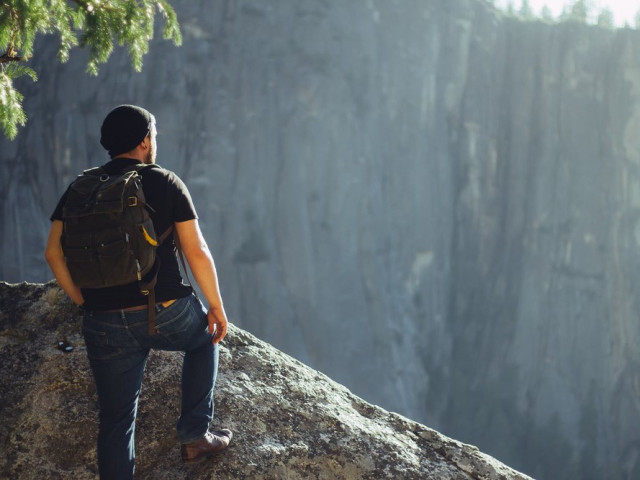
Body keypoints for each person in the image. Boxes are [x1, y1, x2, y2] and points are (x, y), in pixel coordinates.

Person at [44, 105, 232, 479]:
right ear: (145, 140)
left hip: (103, 320)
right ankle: (195, 436)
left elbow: (52, 253)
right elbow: (196, 251)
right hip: (164, 309)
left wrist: (85, 301)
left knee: (116, 420)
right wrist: (216, 308)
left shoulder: (81, 187)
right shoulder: (164, 181)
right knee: (204, 341)